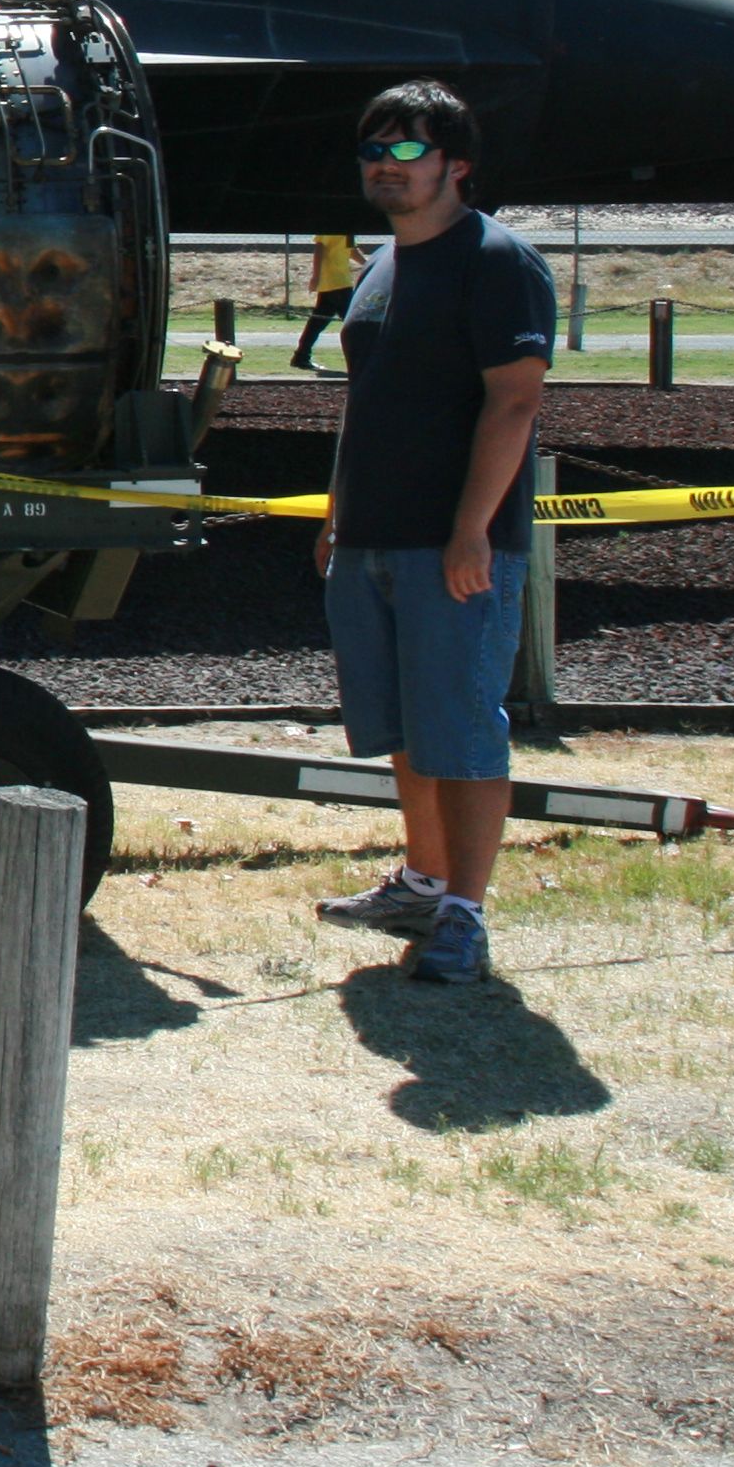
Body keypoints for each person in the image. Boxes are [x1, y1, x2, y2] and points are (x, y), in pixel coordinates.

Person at [312, 82, 553, 985]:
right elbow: (364, 403)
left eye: (407, 150)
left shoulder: (497, 261)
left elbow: (515, 398)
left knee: (461, 733)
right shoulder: (379, 267)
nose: (385, 164)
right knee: (405, 729)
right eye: (374, 149)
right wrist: (339, 513)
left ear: (457, 165)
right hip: (370, 539)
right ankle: (421, 881)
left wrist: (471, 532)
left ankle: (465, 915)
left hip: (449, 550)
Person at [290, 230, 367, 373]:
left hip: (339, 282)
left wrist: (367, 264)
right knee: (353, 322)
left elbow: (350, 249)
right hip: (336, 283)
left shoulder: (349, 230)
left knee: (317, 323)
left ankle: (301, 356)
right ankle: (364, 360)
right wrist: (316, 276)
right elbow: (319, 248)